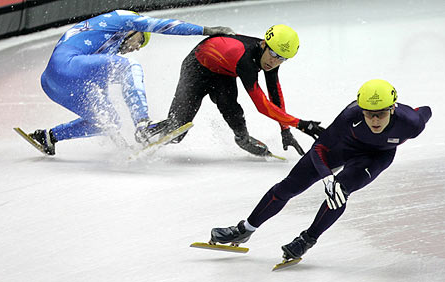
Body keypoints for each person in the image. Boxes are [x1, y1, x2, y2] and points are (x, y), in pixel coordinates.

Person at [209, 79, 432, 261]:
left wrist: (334, 184)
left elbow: (426, 111)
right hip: (341, 148)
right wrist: (326, 177)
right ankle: (245, 229)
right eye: (368, 113)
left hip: (376, 156)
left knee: (340, 193)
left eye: (381, 114)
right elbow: (320, 147)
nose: (374, 120)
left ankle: (307, 240)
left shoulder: (411, 123)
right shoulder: (349, 117)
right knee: (288, 187)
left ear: (393, 108)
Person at [29, 9, 234, 155]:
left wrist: (124, 150)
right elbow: (163, 26)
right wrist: (206, 30)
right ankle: (143, 127)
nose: (137, 47)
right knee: (130, 66)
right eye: (140, 41)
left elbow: (101, 99)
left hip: (51, 82)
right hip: (67, 65)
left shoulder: (103, 49)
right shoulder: (122, 18)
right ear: (133, 30)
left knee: (108, 120)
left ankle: (48, 137)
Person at [163, 24, 324, 157]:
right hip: (196, 68)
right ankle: (147, 133)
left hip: (222, 72)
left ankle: (243, 139)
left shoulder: (270, 60)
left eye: (282, 58)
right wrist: (300, 124)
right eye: (273, 53)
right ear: (263, 44)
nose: (274, 61)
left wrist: (285, 130)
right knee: (176, 132)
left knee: (231, 108)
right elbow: (262, 106)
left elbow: (274, 95)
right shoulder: (246, 60)